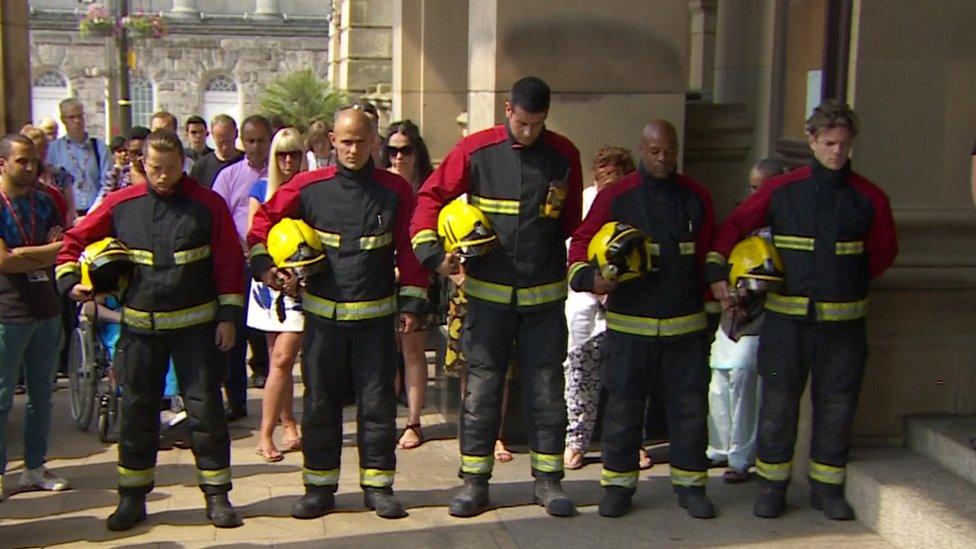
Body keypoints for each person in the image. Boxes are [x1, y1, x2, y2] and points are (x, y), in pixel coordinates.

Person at [706, 99, 898, 520]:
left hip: (844, 328)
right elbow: (735, 225)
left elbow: (883, 254)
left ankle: (827, 489)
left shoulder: (869, 198)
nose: (837, 152)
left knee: (838, 406)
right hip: (786, 326)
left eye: (844, 144)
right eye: (829, 142)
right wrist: (717, 268)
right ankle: (772, 487)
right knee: (777, 403)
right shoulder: (781, 190)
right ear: (811, 140)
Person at [411, 76, 583, 518]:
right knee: (482, 391)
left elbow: (570, 222)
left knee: (547, 391)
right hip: (488, 299)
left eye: (538, 124)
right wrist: (433, 254)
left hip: (543, 298)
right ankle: (474, 482)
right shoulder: (476, 150)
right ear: (508, 109)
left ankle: (548, 481)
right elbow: (430, 197)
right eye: (523, 123)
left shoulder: (564, 155)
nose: (529, 132)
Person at [56, 130, 245, 530]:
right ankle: (132, 499)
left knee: (206, 414)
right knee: (138, 414)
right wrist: (70, 280)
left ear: (183, 165)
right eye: (156, 169)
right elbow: (74, 241)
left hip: (196, 330)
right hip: (140, 331)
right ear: (142, 164)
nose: (163, 177)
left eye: (172, 169)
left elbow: (229, 264)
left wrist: (228, 318)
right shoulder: (120, 204)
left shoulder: (208, 205)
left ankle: (217, 496)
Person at [248, 105, 429, 519]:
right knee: (320, 406)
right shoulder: (308, 187)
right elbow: (262, 226)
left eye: (360, 141)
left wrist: (414, 303)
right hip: (323, 324)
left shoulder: (396, 190)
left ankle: (379, 486)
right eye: (345, 141)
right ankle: (319, 488)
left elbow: (411, 249)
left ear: (374, 142)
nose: (352, 149)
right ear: (331, 139)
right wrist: (266, 267)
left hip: (375, 322)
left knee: (377, 406)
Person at [568, 119, 717, 519]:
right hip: (630, 328)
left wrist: (714, 310)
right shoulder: (616, 196)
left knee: (688, 410)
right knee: (623, 409)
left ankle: (691, 486)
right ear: (642, 149)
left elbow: (708, 256)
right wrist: (591, 279)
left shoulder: (696, 197)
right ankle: (617, 487)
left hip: (685, 327)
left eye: (670, 151)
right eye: (655, 152)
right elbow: (581, 243)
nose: (663, 158)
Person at [705, 158, 787, 484]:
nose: (756, 194)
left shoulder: (783, 222)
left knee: (744, 377)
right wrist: (726, 294)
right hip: (732, 311)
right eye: (753, 187)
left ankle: (740, 457)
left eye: (762, 187)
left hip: (761, 314)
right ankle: (719, 447)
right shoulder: (740, 220)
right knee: (719, 380)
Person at [0, 134, 70, 501]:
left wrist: (23, 252)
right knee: (2, 397)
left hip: (46, 307)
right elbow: (3, 261)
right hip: (7, 312)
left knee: (41, 395)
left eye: (33, 162)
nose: (29, 168)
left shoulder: (45, 203)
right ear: (3, 163)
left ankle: (34, 466)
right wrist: (36, 253)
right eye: (21, 161)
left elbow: (63, 249)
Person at [562, 145, 637, 470]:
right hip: (584, 303)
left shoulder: (634, 204)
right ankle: (576, 440)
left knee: (628, 377)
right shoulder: (582, 204)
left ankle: (632, 444)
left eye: (616, 178)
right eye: (604, 178)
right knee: (580, 375)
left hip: (626, 301)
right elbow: (572, 250)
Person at [246, 127, 306, 462]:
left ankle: (280, 426)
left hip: (302, 281)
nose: (287, 160)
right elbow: (252, 236)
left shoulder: (311, 189)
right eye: (282, 154)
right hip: (269, 280)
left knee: (285, 356)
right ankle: (280, 425)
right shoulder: (261, 189)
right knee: (277, 359)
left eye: (294, 153)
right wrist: (272, 273)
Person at [213, 115, 273, 418]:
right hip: (238, 263)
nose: (256, 147)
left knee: (268, 333)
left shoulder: (281, 175)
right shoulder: (228, 176)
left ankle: (275, 398)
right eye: (250, 140)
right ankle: (235, 399)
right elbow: (219, 220)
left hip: (271, 263)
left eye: (262, 140)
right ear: (242, 141)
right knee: (234, 333)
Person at [380, 120, 434, 449]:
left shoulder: (427, 187)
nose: (399, 157)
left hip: (419, 276)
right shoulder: (380, 184)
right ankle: (385, 417)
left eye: (406, 150)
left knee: (413, 348)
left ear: (417, 152)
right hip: (381, 276)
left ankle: (413, 422)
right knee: (384, 351)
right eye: (393, 150)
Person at [46, 98, 110, 218]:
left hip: (96, 212)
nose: (77, 121)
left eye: (80, 116)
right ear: (63, 120)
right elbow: (50, 184)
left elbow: (107, 183)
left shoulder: (99, 147)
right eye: (71, 117)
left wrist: (93, 212)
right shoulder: (53, 149)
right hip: (67, 214)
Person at [90, 126, 150, 211]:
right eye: (134, 153)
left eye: (143, 152)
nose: (139, 158)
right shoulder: (117, 175)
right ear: (128, 151)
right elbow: (103, 203)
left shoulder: (160, 176)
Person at [19, 126, 69, 226]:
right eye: (37, 150)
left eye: (44, 149)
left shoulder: (53, 191)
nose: (41, 155)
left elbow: (67, 214)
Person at [189, 114, 244, 189]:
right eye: (220, 143)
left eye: (229, 142)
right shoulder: (202, 166)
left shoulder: (247, 162)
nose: (225, 147)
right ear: (213, 136)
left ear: (236, 134)